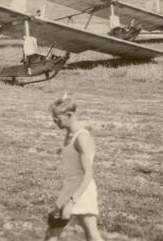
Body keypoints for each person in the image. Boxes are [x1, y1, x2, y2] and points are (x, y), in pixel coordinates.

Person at [44, 96, 104, 241]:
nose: (54, 121)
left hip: (81, 191)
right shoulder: (69, 136)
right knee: (53, 226)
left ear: (69, 115)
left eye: (57, 117)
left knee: (92, 234)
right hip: (69, 187)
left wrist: (72, 201)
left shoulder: (82, 138)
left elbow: (88, 173)